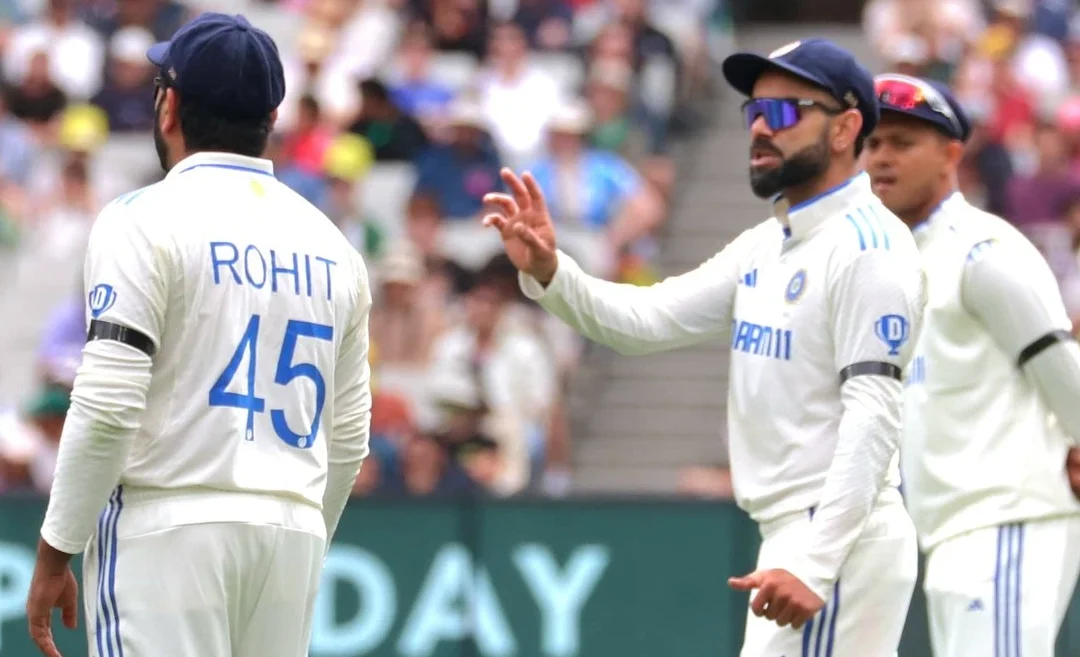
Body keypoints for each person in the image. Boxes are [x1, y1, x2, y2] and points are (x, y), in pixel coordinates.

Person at [482, 38, 925, 656]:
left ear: (848, 127)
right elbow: (646, 320)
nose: (762, 127)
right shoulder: (769, 242)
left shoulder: (870, 247)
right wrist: (554, 272)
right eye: (754, 112)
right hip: (797, 538)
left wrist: (816, 563)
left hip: (834, 539)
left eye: (787, 112)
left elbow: (874, 416)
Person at [24, 13, 372, 657]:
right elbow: (348, 437)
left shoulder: (140, 218)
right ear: (271, 118)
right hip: (290, 528)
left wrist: (54, 551)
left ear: (169, 106)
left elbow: (107, 407)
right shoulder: (334, 245)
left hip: (167, 527)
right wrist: (299, 536)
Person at [865, 72, 1080, 657]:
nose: (882, 159)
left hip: (1006, 520)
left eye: (903, 143)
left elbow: (1062, 367)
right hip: (954, 534)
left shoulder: (981, 253)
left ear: (951, 154)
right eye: (874, 144)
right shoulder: (898, 262)